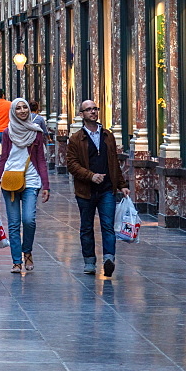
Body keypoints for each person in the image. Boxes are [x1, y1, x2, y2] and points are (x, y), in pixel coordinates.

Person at [67, 99, 129, 277]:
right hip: (85, 191)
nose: (93, 112)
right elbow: (71, 164)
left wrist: (122, 185)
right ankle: (89, 261)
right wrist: (90, 176)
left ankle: (109, 259)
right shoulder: (76, 139)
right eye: (89, 110)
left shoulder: (108, 135)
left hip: (107, 190)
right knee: (86, 227)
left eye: (95, 109)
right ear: (82, 114)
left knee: (107, 225)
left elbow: (114, 163)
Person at [0, 97, 50, 274]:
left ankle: (27, 251)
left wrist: (46, 185)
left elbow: (41, 160)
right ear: (13, 112)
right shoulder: (8, 133)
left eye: (25, 108)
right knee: (14, 224)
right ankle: (16, 261)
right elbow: (4, 159)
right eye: (18, 108)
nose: (22, 111)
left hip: (31, 180)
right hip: (10, 181)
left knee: (29, 220)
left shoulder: (36, 132)